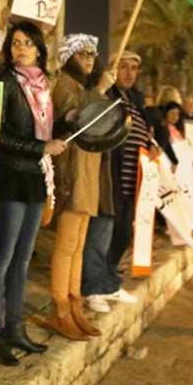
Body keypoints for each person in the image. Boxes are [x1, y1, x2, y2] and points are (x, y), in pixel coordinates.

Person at [0, 21, 68, 366]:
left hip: (35, 177)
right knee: (2, 259)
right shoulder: (5, 83)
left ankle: (16, 328)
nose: (20, 48)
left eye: (27, 43)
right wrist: (41, 146)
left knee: (23, 260)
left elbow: (43, 127)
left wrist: (64, 128)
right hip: (12, 177)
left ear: (38, 49)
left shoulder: (44, 85)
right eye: (15, 43)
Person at [48, 33, 114, 341]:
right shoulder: (64, 84)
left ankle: (75, 304)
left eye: (92, 54)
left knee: (79, 244)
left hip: (88, 173)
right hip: (72, 172)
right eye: (82, 54)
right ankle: (60, 307)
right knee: (66, 246)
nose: (88, 59)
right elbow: (77, 118)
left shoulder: (83, 86)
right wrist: (100, 91)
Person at [83, 50, 157, 314]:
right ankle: (91, 287)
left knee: (122, 235)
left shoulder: (134, 101)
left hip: (131, 184)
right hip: (110, 179)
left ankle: (109, 282)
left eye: (134, 68)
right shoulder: (106, 95)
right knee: (100, 236)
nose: (129, 72)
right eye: (123, 66)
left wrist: (151, 145)